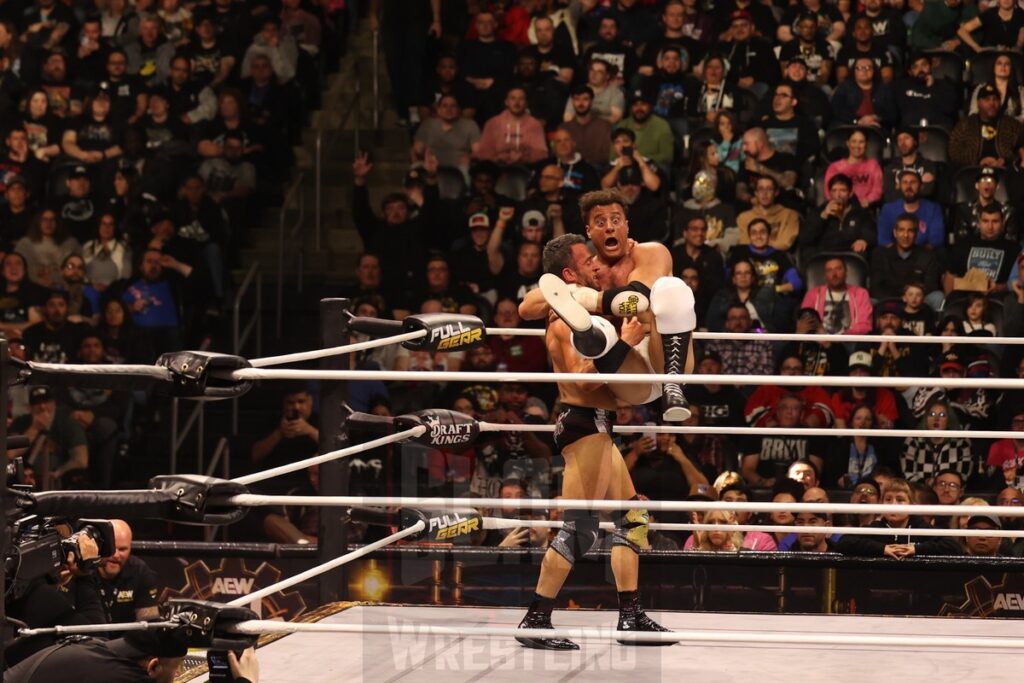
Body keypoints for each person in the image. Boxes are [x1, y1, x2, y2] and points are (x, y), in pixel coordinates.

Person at [515, 233, 670, 650]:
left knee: (632, 518)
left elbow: (528, 304)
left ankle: (630, 616)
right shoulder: (569, 320)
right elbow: (584, 375)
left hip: (596, 422)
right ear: (569, 273)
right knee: (579, 529)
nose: (598, 265)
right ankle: (536, 618)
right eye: (589, 261)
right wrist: (628, 343)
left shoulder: (575, 307)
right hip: (583, 422)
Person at [520, 190, 697, 421]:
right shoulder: (588, 270)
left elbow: (637, 298)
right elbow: (527, 307)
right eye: (600, 222)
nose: (609, 227)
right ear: (589, 231)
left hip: (666, 356)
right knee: (598, 328)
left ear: (626, 226)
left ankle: (672, 386)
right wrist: (570, 293)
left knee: (672, 287)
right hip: (629, 370)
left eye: (615, 220)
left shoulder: (650, 253)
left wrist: (581, 297)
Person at [4, 631, 259, 682]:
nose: (179, 675)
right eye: (177, 669)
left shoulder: (100, 650)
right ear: (153, 666)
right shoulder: (119, 677)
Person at [835, 478, 961, 557]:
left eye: (900, 500)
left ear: (912, 505)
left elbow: (953, 546)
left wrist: (915, 549)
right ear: (881, 504)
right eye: (888, 499)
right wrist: (882, 548)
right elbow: (844, 542)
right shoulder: (876, 528)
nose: (893, 504)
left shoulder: (922, 528)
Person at [96, 519, 159, 623]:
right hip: (89, 638)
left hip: (127, 638)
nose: (116, 555)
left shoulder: (141, 572)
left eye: (122, 549)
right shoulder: (83, 572)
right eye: (111, 548)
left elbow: (149, 626)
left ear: (130, 548)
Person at [949, 83, 1023, 169]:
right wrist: (979, 161)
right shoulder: (965, 124)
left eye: (995, 99)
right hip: (972, 171)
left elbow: (1021, 147)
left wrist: (1005, 160)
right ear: (978, 102)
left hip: (1006, 171)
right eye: (987, 99)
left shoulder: (1012, 124)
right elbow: (954, 151)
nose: (992, 103)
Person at [800, 256, 874, 334]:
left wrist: (843, 337)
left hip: (850, 342)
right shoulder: (813, 294)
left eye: (838, 269)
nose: (834, 274)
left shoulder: (861, 294)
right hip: (819, 341)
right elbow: (805, 322)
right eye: (829, 270)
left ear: (846, 272)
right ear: (825, 275)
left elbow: (865, 325)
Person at [876, 169, 945, 249]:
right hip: (895, 256)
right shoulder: (888, 209)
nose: (908, 186)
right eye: (904, 182)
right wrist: (902, 255)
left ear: (921, 186)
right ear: (899, 186)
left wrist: (914, 256)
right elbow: (883, 240)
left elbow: (936, 240)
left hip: (924, 256)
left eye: (913, 182)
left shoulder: (933, 209)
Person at [824, 129, 883, 207]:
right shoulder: (835, 167)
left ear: (866, 144)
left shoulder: (873, 165)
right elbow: (828, 192)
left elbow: (877, 190)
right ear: (848, 143)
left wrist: (868, 200)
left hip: (865, 209)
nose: (857, 146)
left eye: (861, 142)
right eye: (854, 141)